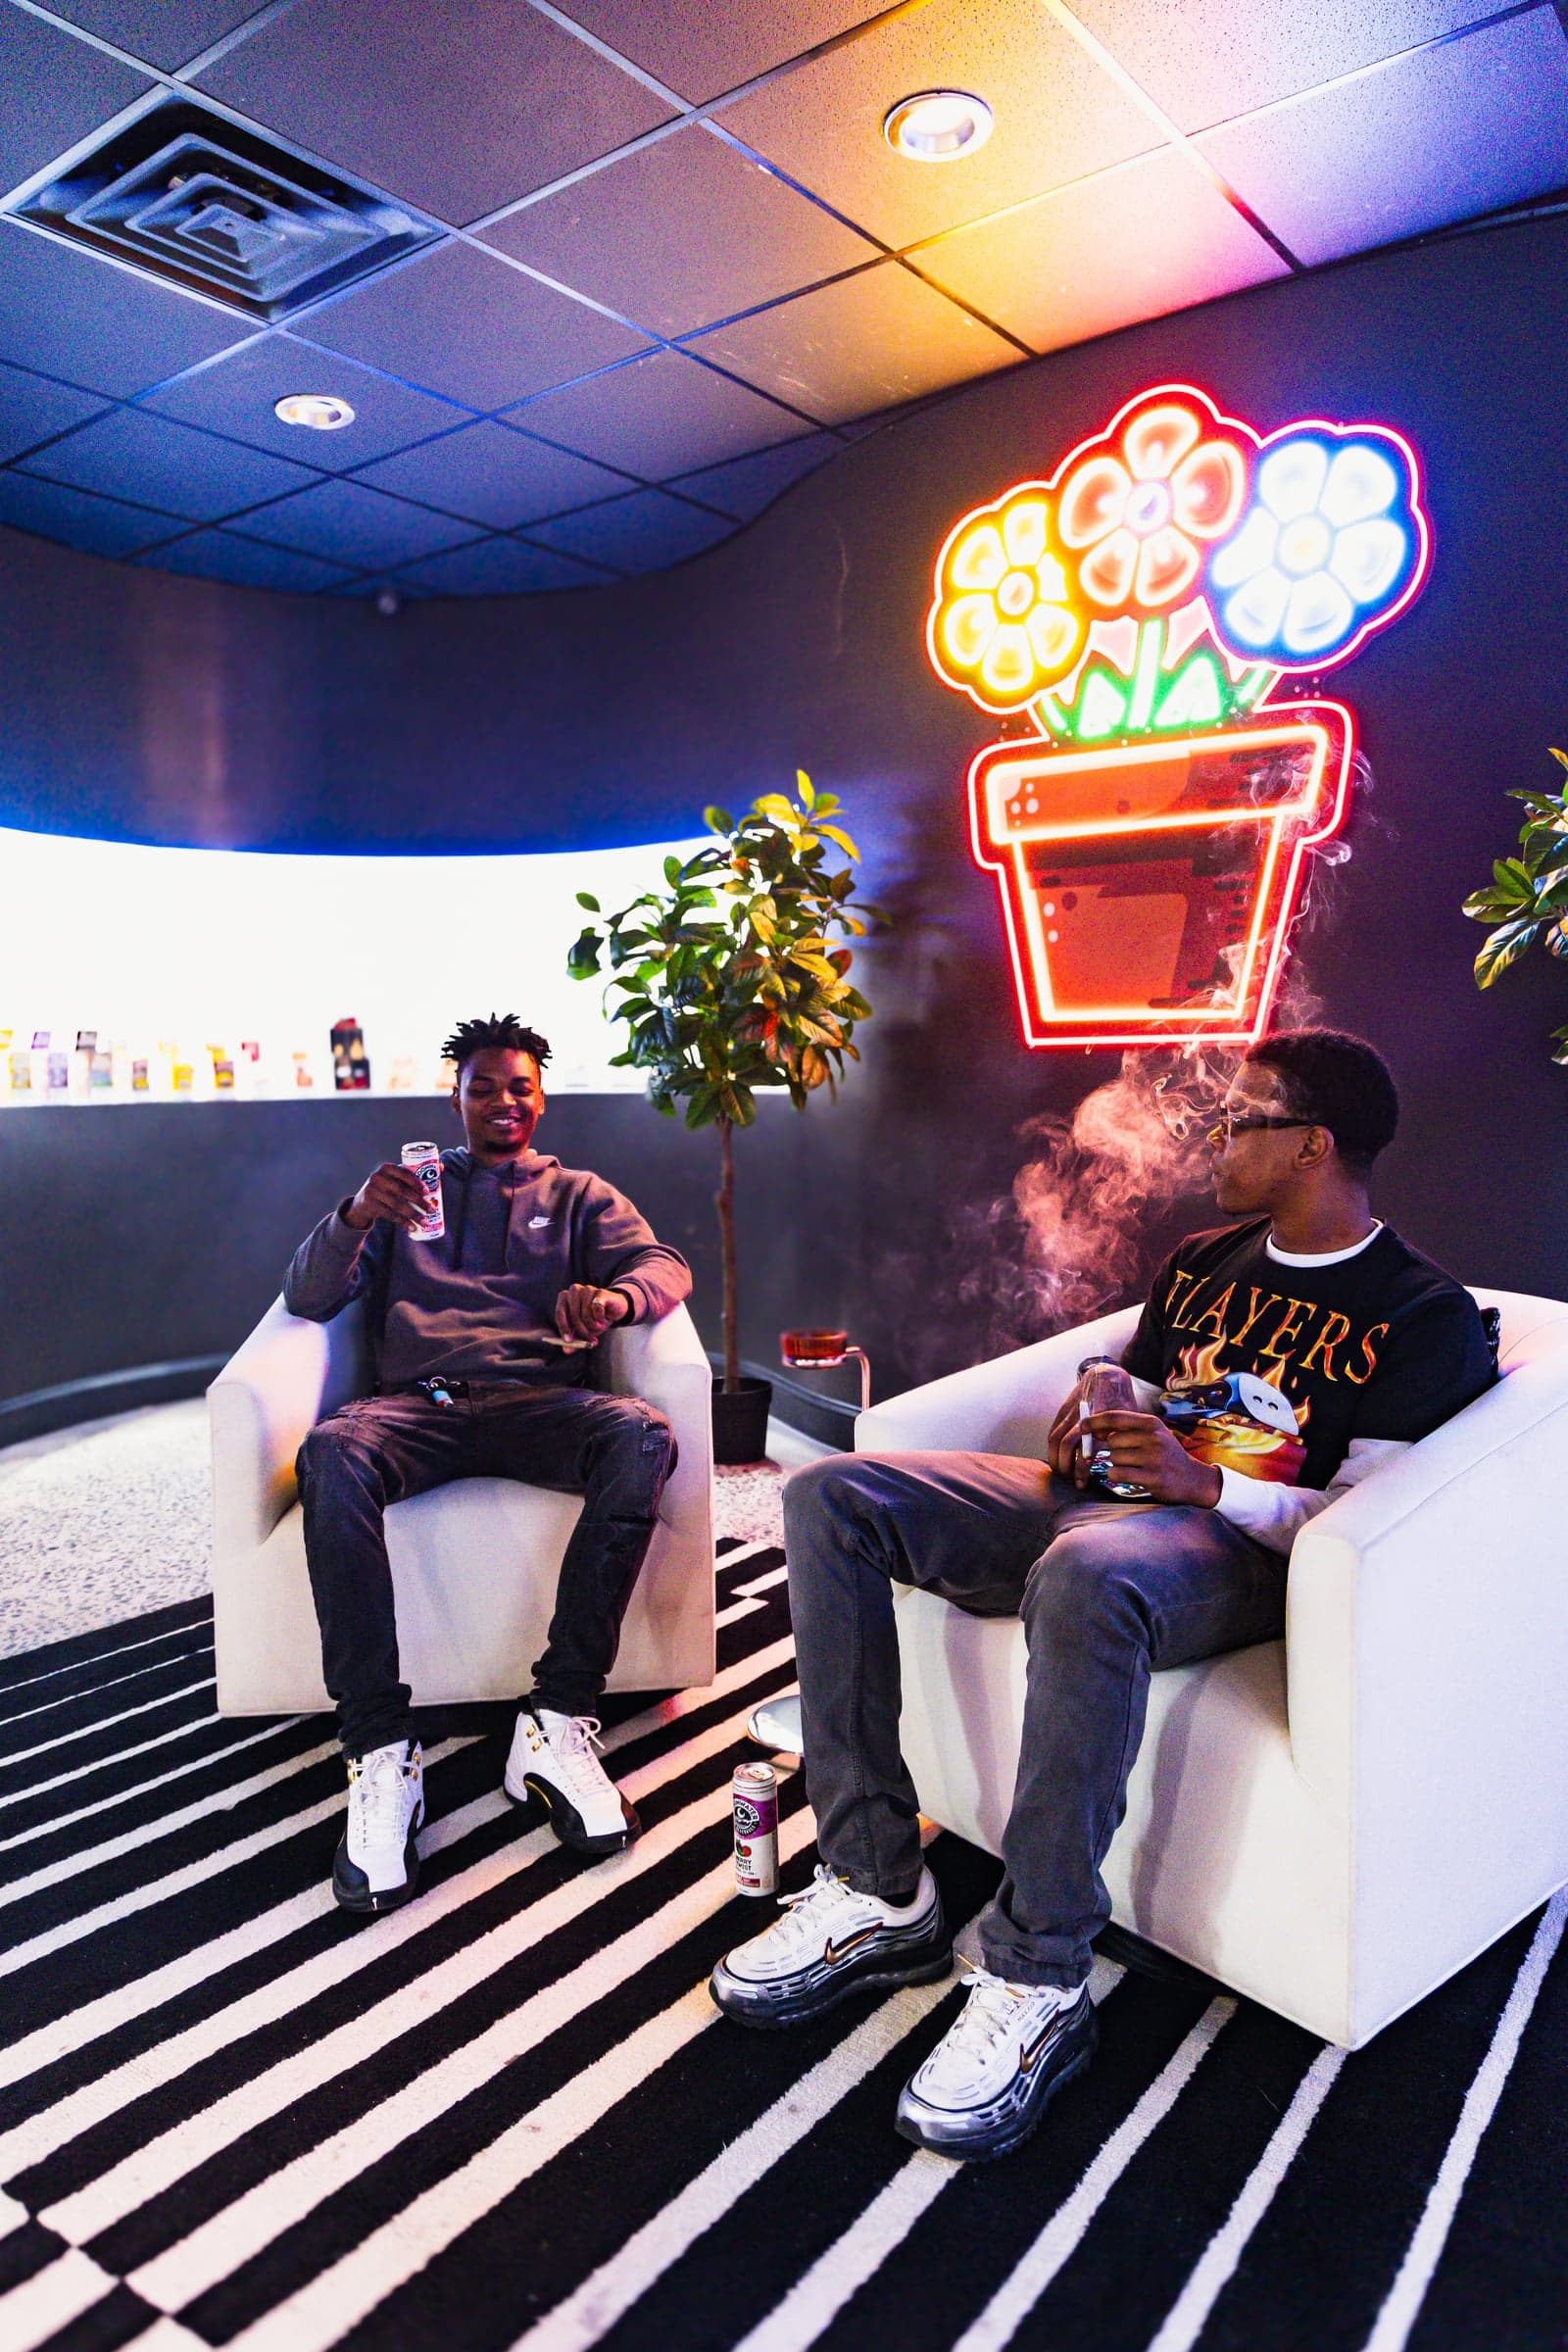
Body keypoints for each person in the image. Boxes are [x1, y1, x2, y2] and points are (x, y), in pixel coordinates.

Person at [711, 1030, 1494, 2159]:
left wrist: (1204, 1484)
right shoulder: (1205, 1259)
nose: (1213, 1136)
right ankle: (877, 1887)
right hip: (1104, 1503)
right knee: (832, 1495)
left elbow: (1361, 1528)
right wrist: (1101, 1393)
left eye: (1241, 1119)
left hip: (1233, 1551)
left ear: (1311, 1147)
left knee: (1086, 1571)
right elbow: (1143, 1377)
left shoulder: (1418, 1314)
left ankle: (1039, 1974)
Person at [284, 1013, 692, 1915]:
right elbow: (307, 1296)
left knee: (640, 1434)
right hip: (419, 1406)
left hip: (539, 1403)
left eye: (520, 1087)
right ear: (456, 1099)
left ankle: (556, 1718)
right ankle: (380, 1748)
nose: (504, 1102)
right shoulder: (405, 1197)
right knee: (331, 1452)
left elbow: (663, 1265)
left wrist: (615, 1301)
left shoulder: (580, 1194)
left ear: (541, 1099)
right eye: (483, 1088)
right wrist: (355, 1214)